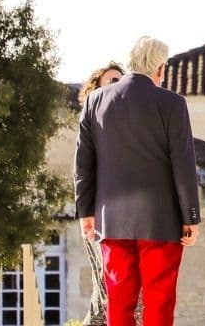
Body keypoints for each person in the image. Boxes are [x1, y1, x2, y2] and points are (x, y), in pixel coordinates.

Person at [74, 37, 202, 326]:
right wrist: (191, 217)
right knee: (159, 302)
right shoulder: (172, 103)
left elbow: (83, 163)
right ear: (161, 68)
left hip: (111, 221)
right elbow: (183, 164)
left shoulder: (95, 100)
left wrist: (85, 212)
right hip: (161, 223)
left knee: (118, 302)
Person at [76, 62, 129, 326]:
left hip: (129, 218)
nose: (118, 85)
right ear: (95, 91)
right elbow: (83, 170)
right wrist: (86, 213)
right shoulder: (94, 124)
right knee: (109, 288)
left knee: (116, 291)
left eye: (121, 80)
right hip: (101, 217)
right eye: (112, 81)